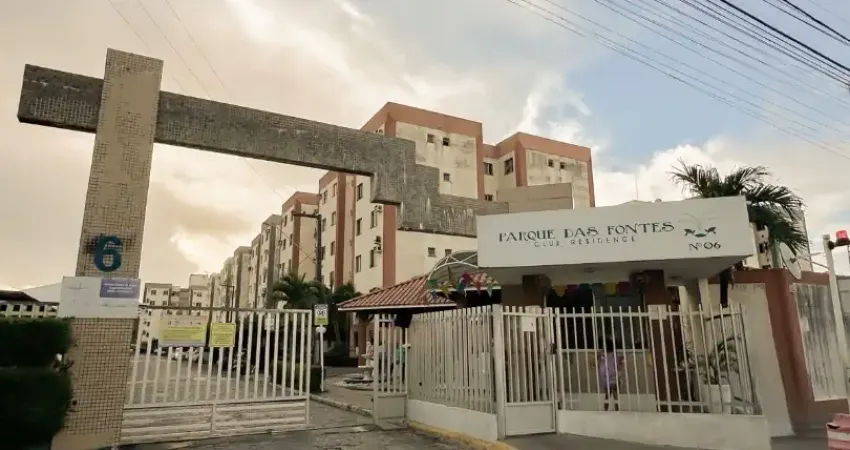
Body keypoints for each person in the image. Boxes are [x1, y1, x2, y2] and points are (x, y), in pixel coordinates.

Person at [598, 338, 623, 411]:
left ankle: (607, 409)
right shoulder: (615, 355)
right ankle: (616, 409)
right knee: (613, 394)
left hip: (609, 377)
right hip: (613, 376)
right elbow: (620, 364)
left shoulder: (603, 355)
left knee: (609, 394)